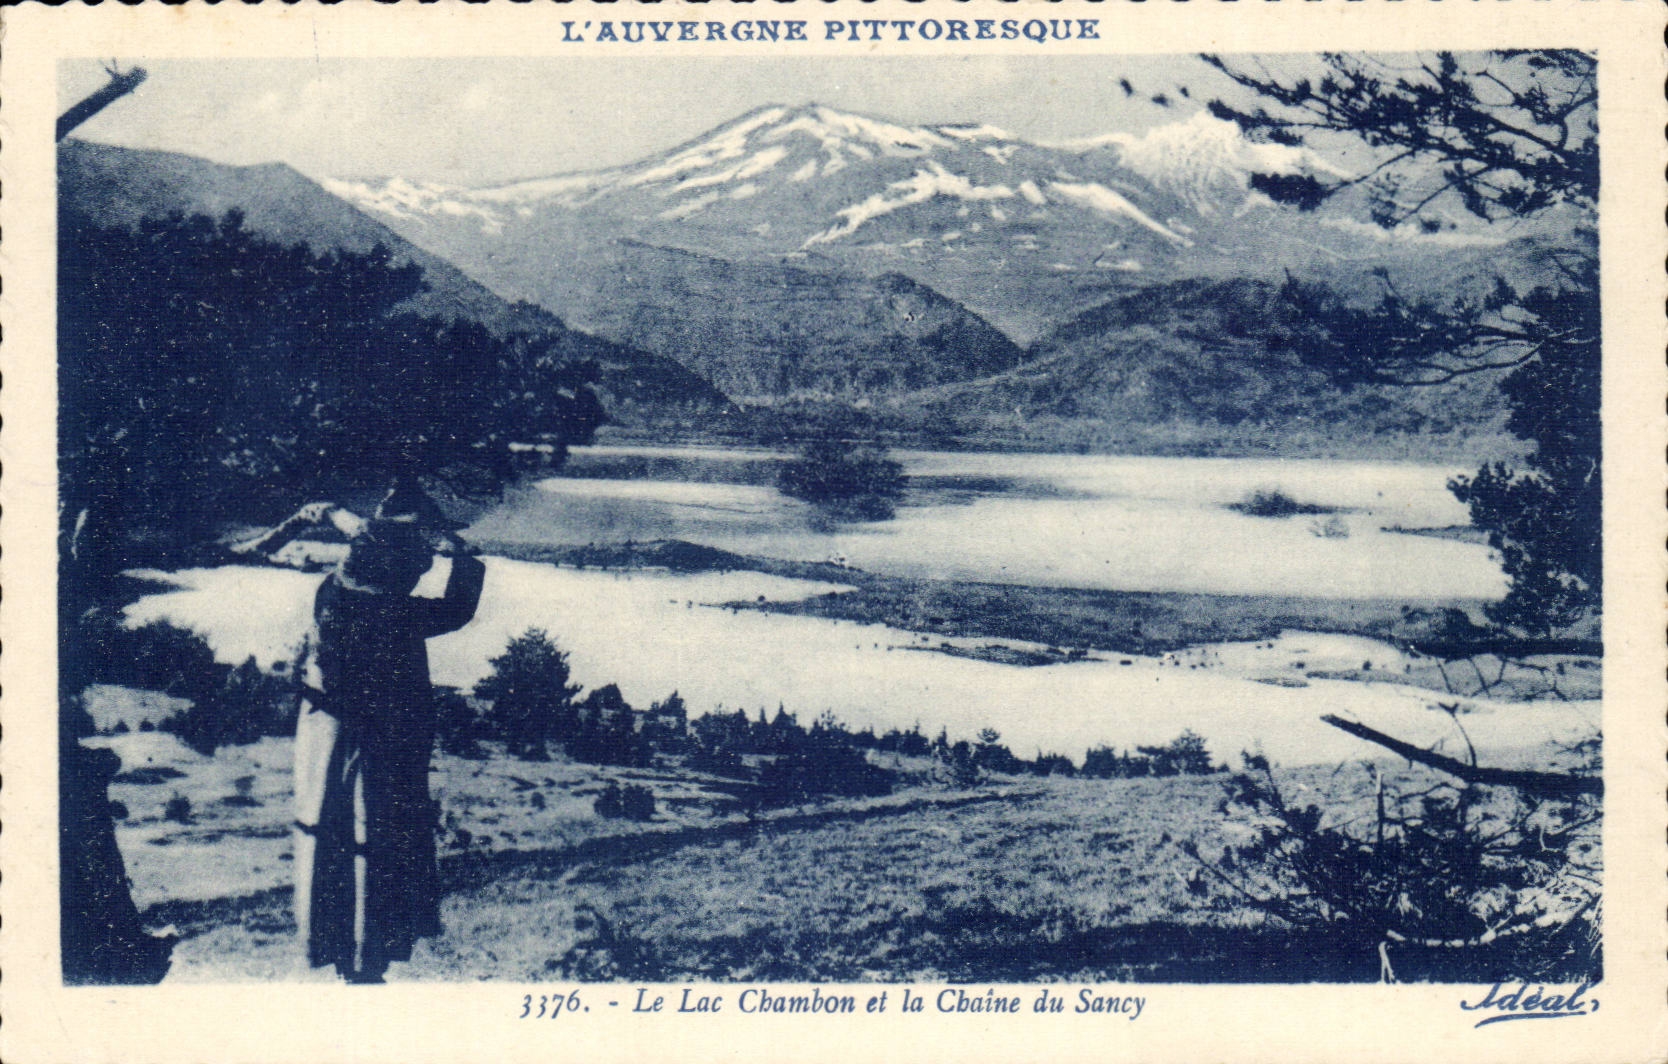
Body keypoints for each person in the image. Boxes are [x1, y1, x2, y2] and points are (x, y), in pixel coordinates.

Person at [238, 482, 486, 982]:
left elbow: (342, 522)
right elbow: (458, 606)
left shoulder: (332, 594)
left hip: (326, 742)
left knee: (330, 832)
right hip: (386, 747)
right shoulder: (400, 613)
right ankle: (371, 952)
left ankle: (337, 948)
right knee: (381, 836)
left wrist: (328, 516)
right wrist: (458, 549)